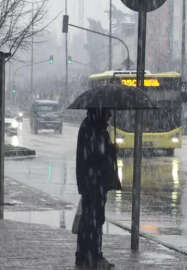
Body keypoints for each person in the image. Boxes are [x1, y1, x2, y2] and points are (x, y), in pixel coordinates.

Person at [75, 107, 119, 269]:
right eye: (108, 112)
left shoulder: (93, 127)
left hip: (95, 182)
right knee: (93, 221)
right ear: (100, 112)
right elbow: (95, 156)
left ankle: (86, 256)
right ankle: (92, 256)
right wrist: (111, 150)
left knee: (93, 220)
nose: (110, 115)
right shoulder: (92, 129)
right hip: (93, 182)